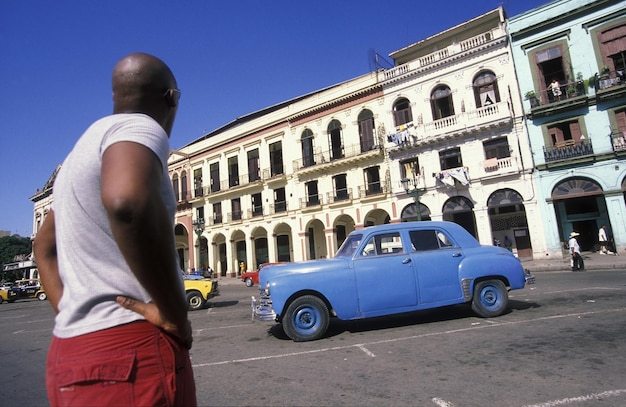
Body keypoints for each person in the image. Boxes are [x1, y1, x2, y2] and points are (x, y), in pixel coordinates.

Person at [33, 53, 196, 407]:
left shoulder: (84, 148)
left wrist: (72, 311)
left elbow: (43, 246)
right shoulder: (140, 127)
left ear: (114, 98)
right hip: (131, 355)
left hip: (70, 352)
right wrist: (173, 312)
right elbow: (126, 201)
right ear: (172, 98)